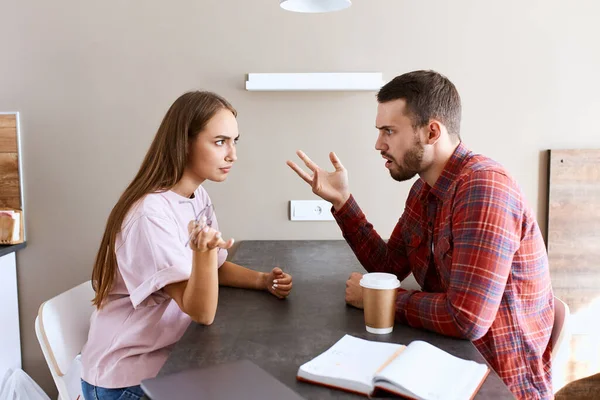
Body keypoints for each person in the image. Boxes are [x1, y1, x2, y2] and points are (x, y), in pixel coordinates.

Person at [287, 70, 553, 399]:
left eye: (389, 131)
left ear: (431, 132)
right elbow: (389, 265)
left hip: (499, 383)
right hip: (448, 365)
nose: (378, 144)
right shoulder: (423, 190)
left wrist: (377, 299)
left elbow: (466, 319)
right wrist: (342, 201)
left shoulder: (483, 187)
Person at [80, 91, 293, 400]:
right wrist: (203, 255)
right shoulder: (149, 215)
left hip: (169, 360)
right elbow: (201, 312)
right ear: (184, 142)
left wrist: (262, 281)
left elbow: (212, 269)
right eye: (220, 142)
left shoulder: (196, 197)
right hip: (128, 380)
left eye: (235, 141)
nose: (232, 155)